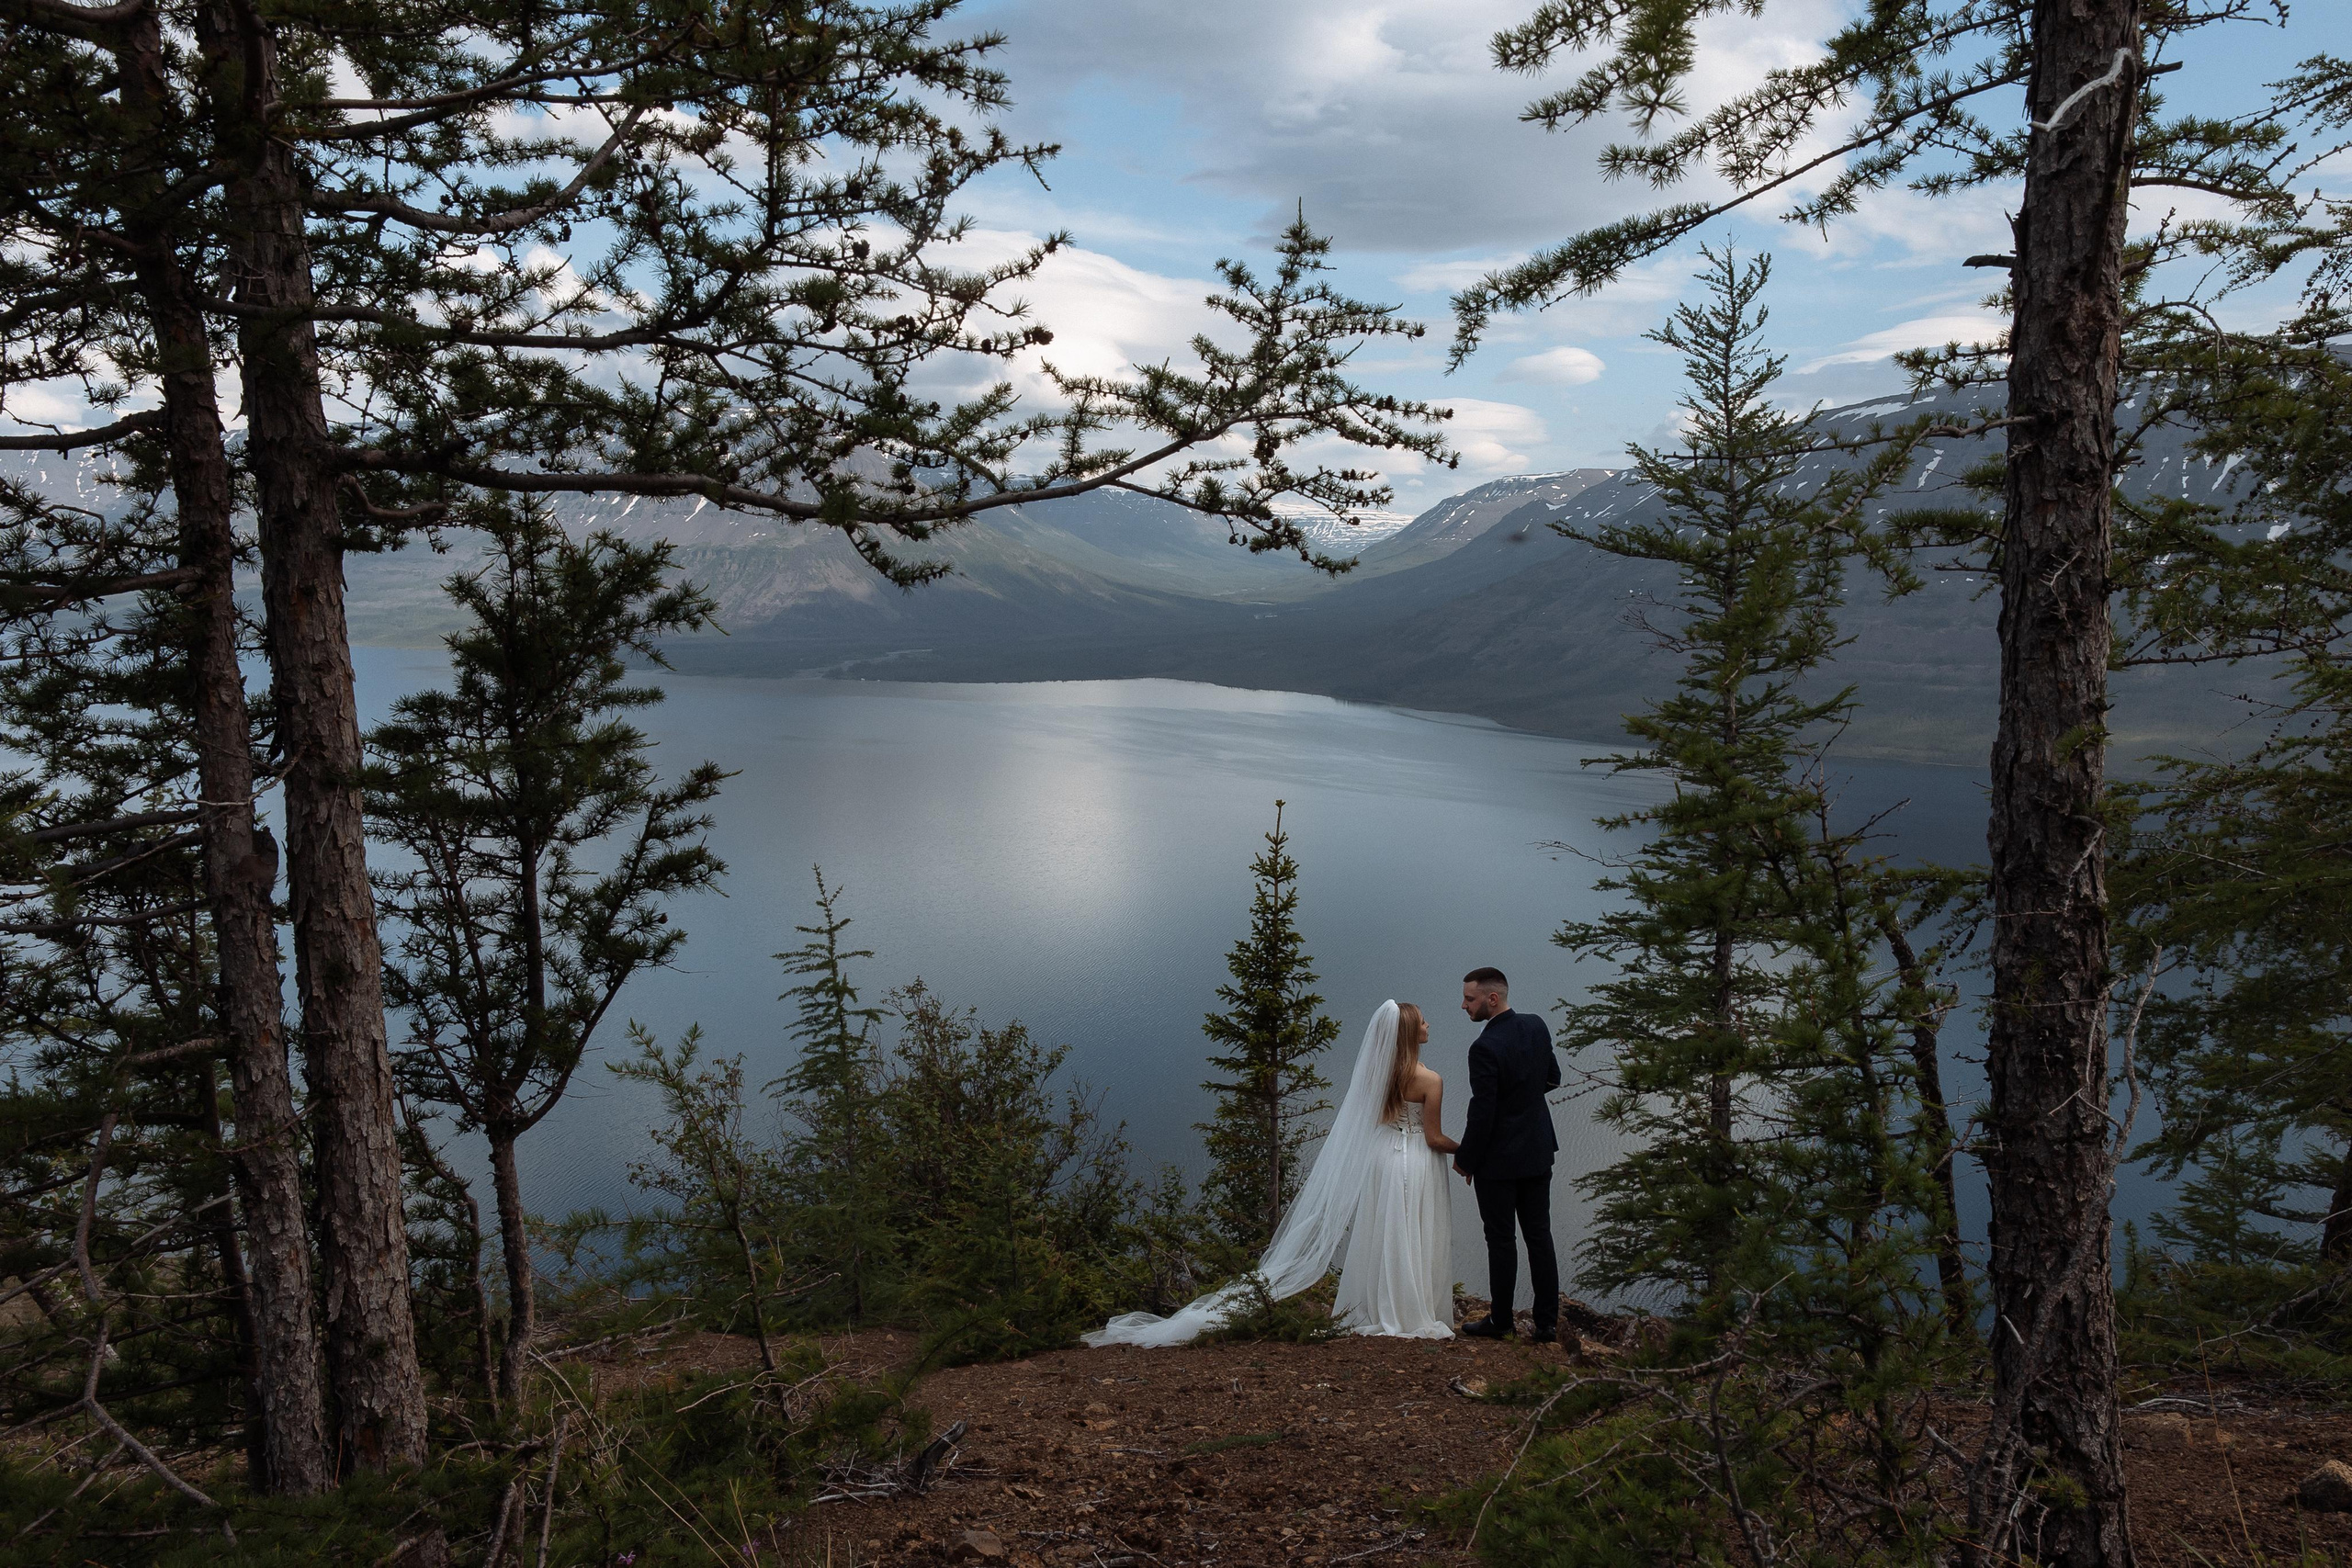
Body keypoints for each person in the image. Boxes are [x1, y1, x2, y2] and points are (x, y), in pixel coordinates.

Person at [1083, 998, 1459, 1346]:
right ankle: (1411, 1310)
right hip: (1413, 1161)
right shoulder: (1430, 1080)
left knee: (1385, 1229)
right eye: (1422, 1020)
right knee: (1412, 1228)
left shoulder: (1379, 1075)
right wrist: (1469, 1151)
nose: (1428, 1024)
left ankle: (1382, 1306)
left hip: (1382, 1161)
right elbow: (1434, 1138)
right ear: (1410, 1033)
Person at [1452, 966, 1561, 1343]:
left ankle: (1501, 1321)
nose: (1463, 1005)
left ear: (1491, 999)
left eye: (1469, 999)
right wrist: (1524, 1102)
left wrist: (1466, 1159)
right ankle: (1547, 1324)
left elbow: (1483, 1111)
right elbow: (1552, 1078)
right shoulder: (1536, 1026)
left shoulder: (1483, 1047)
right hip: (1537, 1149)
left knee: (1501, 1240)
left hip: (1498, 1162)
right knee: (1539, 1236)